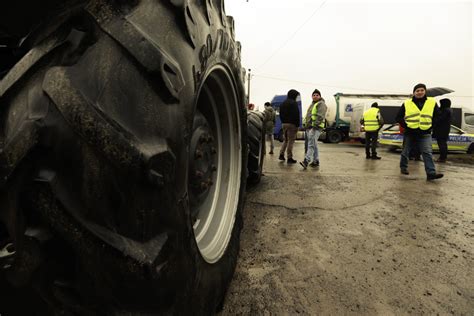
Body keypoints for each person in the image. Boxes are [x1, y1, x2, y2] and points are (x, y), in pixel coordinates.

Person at [396, 83, 443, 180]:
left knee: (427, 152)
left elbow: (438, 116)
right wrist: (406, 126)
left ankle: (431, 173)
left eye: (422, 90)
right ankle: (403, 167)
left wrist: (432, 125)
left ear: (425, 91)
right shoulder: (407, 103)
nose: (420, 92)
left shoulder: (432, 102)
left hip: (425, 132)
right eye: (417, 91)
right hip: (410, 132)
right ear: (414, 93)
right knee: (405, 151)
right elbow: (398, 117)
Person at [300, 89, 327, 169]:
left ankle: (306, 161)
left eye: (317, 95)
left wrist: (314, 127)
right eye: (314, 95)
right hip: (310, 127)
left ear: (320, 96)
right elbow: (308, 116)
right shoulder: (312, 104)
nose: (315, 96)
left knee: (311, 145)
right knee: (314, 145)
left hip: (315, 128)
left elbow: (320, 117)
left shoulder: (321, 104)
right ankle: (316, 161)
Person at [278, 89, 300, 164]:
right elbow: (296, 115)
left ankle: (281, 154)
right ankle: (289, 158)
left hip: (284, 124)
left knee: (285, 140)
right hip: (292, 124)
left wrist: (283, 122)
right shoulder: (294, 103)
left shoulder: (283, 103)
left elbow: (280, 114)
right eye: (296, 96)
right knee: (291, 141)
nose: (297, 97)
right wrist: (297, 125)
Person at [433, 98, 452, 162]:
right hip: (444, 130)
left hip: (441, 130)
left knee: (441, 144)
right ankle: (443, 157)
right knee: (443, 144)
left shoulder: (446, 110)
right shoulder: (448, 110)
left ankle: (442, 158)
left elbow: (440, 119)